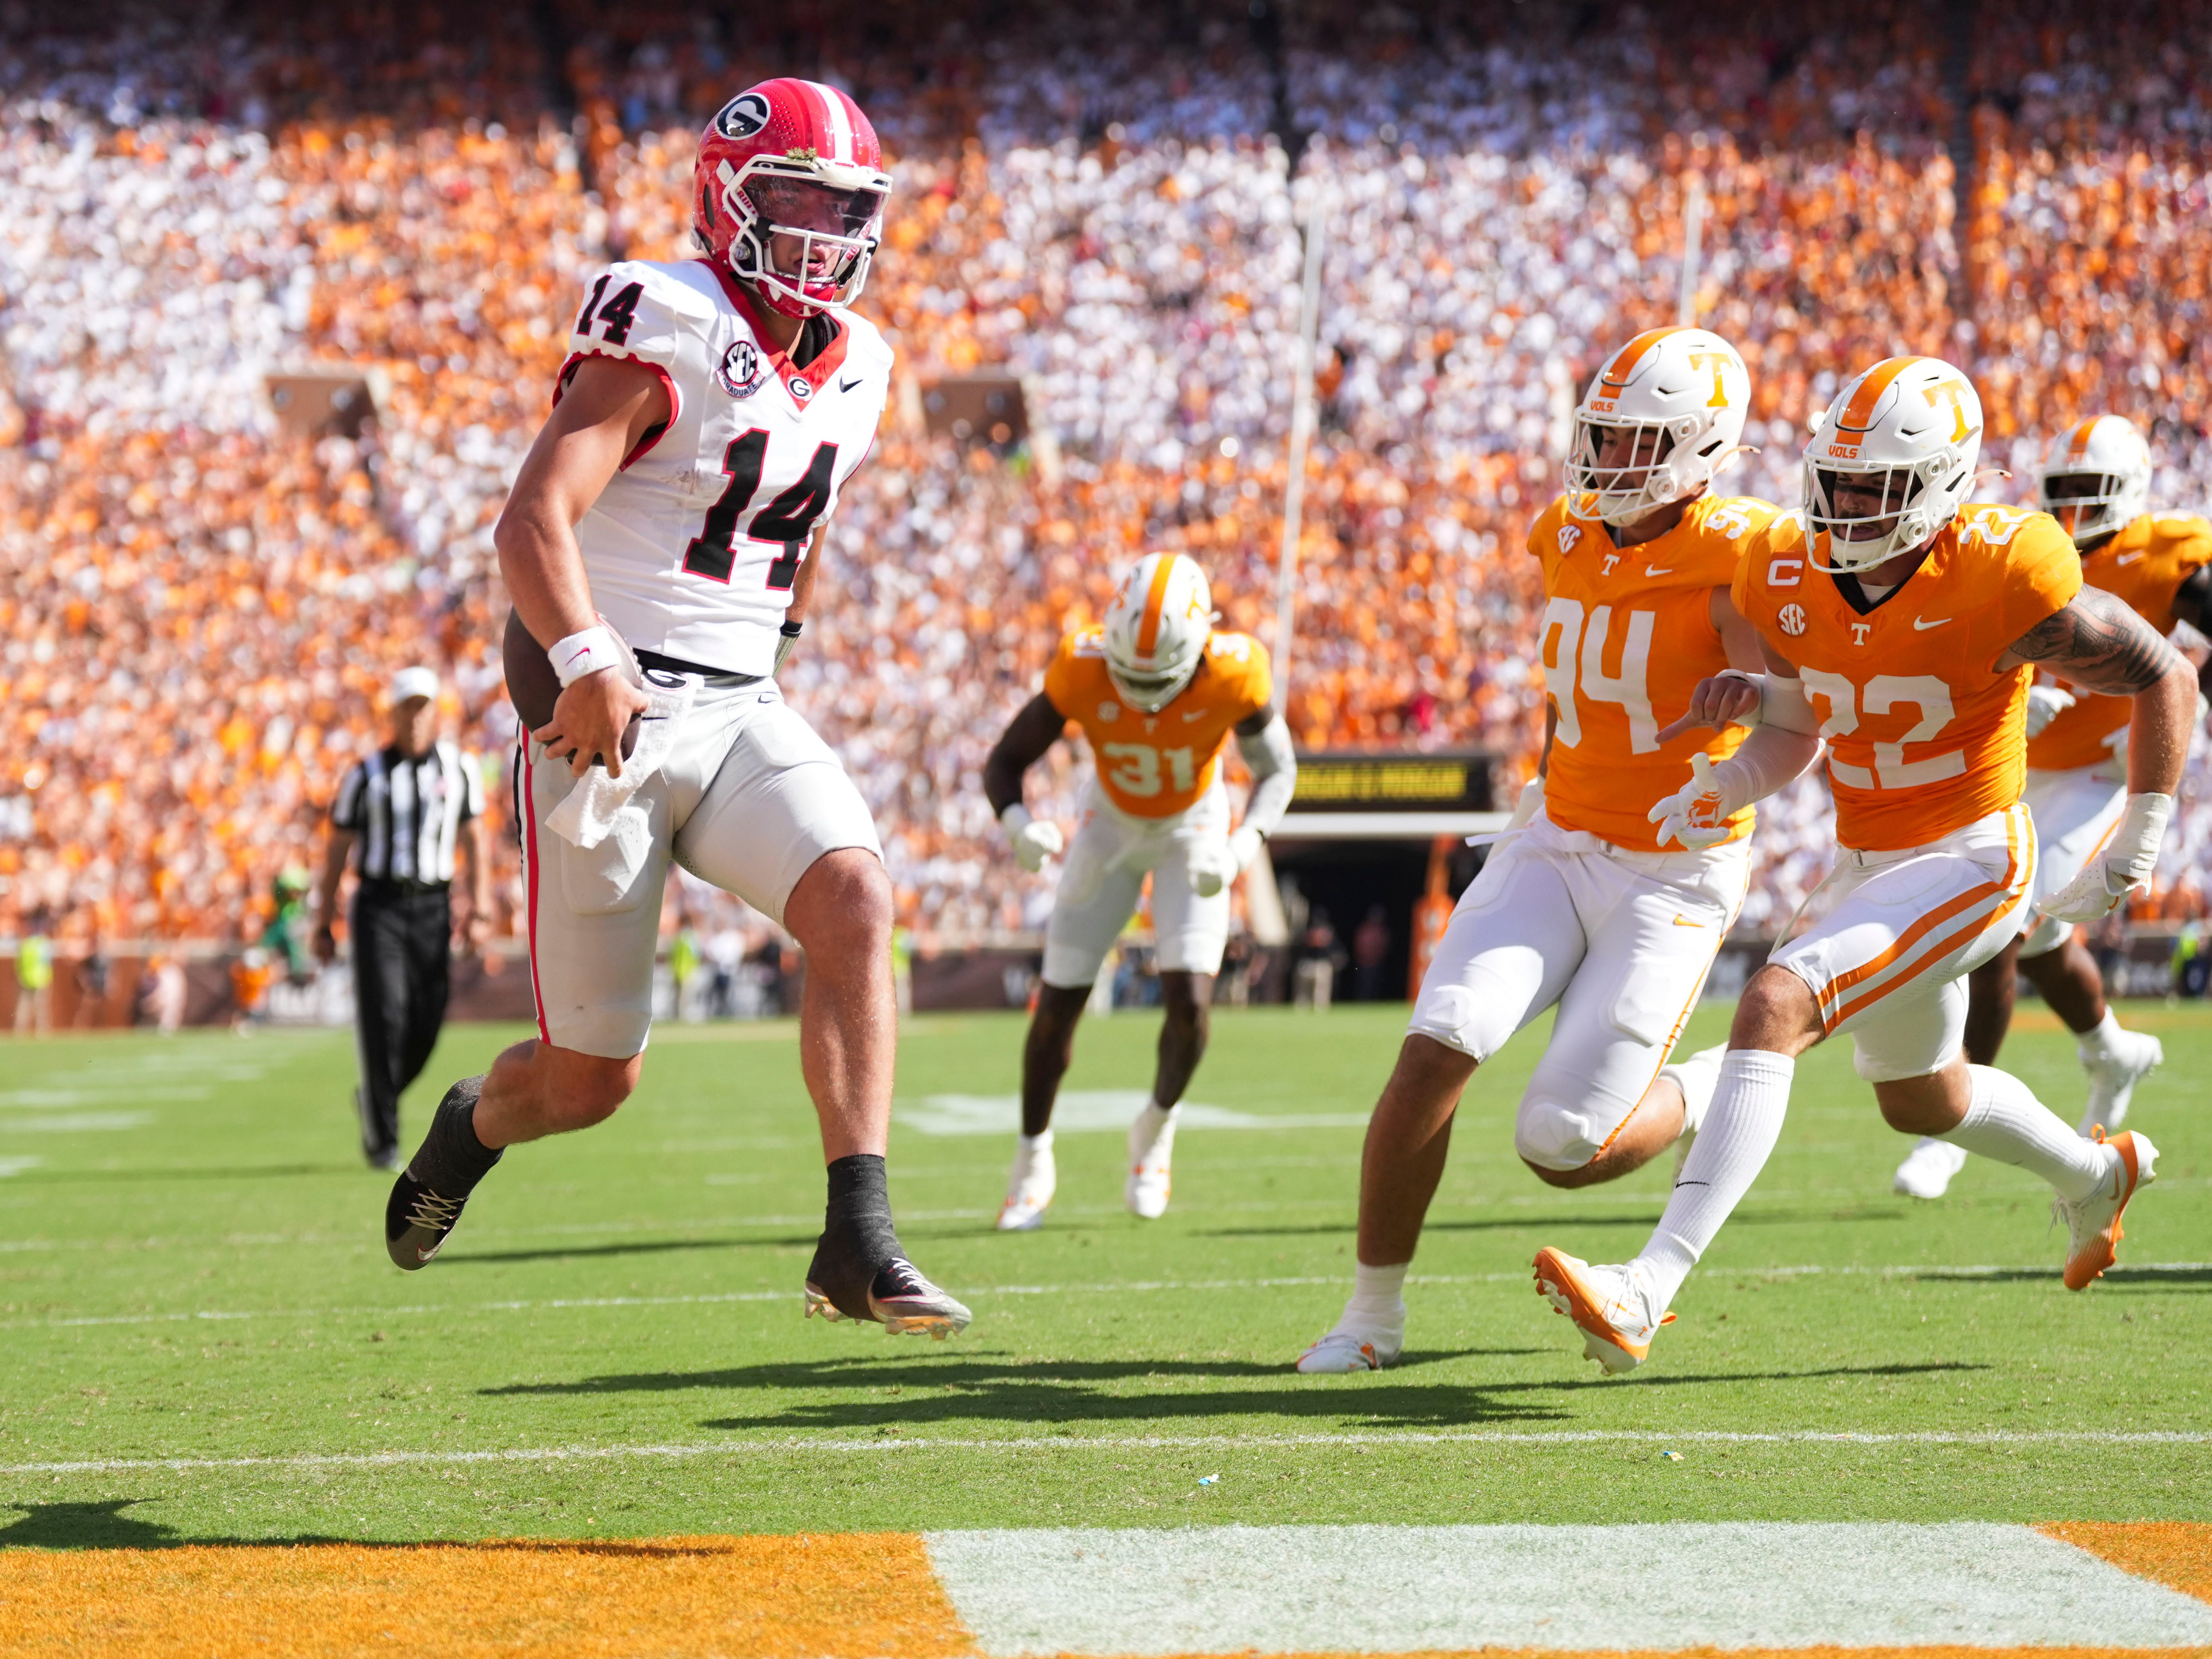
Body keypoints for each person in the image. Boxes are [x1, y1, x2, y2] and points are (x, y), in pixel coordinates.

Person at [381, 79, 971, 1338]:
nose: (820, 230)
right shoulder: (670, 309)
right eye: (793, 198)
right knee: (593, 1081)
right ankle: (464, 1130)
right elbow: (533, 516)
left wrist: (772, 650)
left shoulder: (863, 361)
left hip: (739, 695)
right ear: (727, 196)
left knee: (854, 892)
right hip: (611, 705)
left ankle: (855, 1234)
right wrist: (585, 654)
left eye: (844, 205)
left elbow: (783, 532)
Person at [1535, 356, 2192, 1374]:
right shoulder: (1785, 571)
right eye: (1837, 480)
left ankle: (1646, 1285)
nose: (1847, 504)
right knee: (1916, 1096)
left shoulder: (2001, 566)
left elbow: (2160, 669)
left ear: (1940, 484)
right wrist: (1744, 732)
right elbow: (1821, 706)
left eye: (1876, 486)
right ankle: (2091, 1173)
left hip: (1972, 851)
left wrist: (2138, 834)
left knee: (1772, 1003)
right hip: (1869, 855)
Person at [1297, 326, 1776, 1374]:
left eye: (1638, 444)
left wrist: (1759, 694)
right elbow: (1579, 686)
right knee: (1437, 1045)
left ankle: (1699, 1091)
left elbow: (1811, 696)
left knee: (1562, 1146)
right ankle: (1371, 1315)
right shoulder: (1562, 529)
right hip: (1556, 839)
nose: (1609, 463)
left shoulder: (1748, 549)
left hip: (1671, 871)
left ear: (1702, 450)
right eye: (1602, 438)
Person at [1893, 415, 2208, 1197]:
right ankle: (2107, 1048)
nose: (2069, 509)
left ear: (2127, 492)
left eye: (2086, 493)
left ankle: (1954, 1117)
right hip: (2020, 765)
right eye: (2059, 492)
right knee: (2034, 940)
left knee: (2002, 927)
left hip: (2101, 775)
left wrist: (2177, 696)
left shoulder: (2163, 552)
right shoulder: (2023, 548)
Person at [983, 552, 1297, 1229]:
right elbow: (1004, 760)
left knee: (1191, 1003)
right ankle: (1032, 1157)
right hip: (1109, 824)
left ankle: (1155, 1130)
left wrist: (1242, 847)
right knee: (1059, 1000)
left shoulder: (1235, 670)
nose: (1140, 693)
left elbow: (1279, 772)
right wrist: (1016, 824)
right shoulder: (1083, 664)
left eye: (1158, 680)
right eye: (1128, 673)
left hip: (1193, 824)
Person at [316, 667, 492, 1168]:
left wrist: (479, 908)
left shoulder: (459, 768)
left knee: (428, 1021)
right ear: (392, 714)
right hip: (380, 907)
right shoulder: (365, 774)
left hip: (433, 906)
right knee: (384, 1017)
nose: (415, 718)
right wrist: (323, 917)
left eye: (423, 707)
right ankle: (383, 1139)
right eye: (407, 708)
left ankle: (377, 1096)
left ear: (436, 713)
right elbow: (338, 849)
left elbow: (475, 840)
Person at [12, 914, 52, 1036]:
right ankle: (42, 1032)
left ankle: (20, 1032)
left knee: (24, 1007)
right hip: (40, 979)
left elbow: (19, 964)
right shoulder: (43, 944)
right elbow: (48, 962)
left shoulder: (25, 945)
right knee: (41, 1009)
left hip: (26, 979)